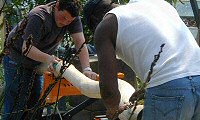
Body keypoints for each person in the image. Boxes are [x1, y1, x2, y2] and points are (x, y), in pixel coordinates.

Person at [83, 0, 200, 119]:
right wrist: (145, 89)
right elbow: (170, 55)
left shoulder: (106, 25)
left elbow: (108, 90)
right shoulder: (158, 4)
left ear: (95, 20)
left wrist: (113, 110)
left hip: (169, 90)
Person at [2, 0, 97, 119]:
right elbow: (26, 49)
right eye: (63, 18)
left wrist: (87, 68)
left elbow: (80, 42)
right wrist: (49, 59)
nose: (65, 23)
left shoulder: (71, 18)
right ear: (57, 6)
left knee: (36, 103)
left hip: (38, 62)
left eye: (69, 21)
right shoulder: (38, 16)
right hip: (16, 59)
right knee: (16, 106)